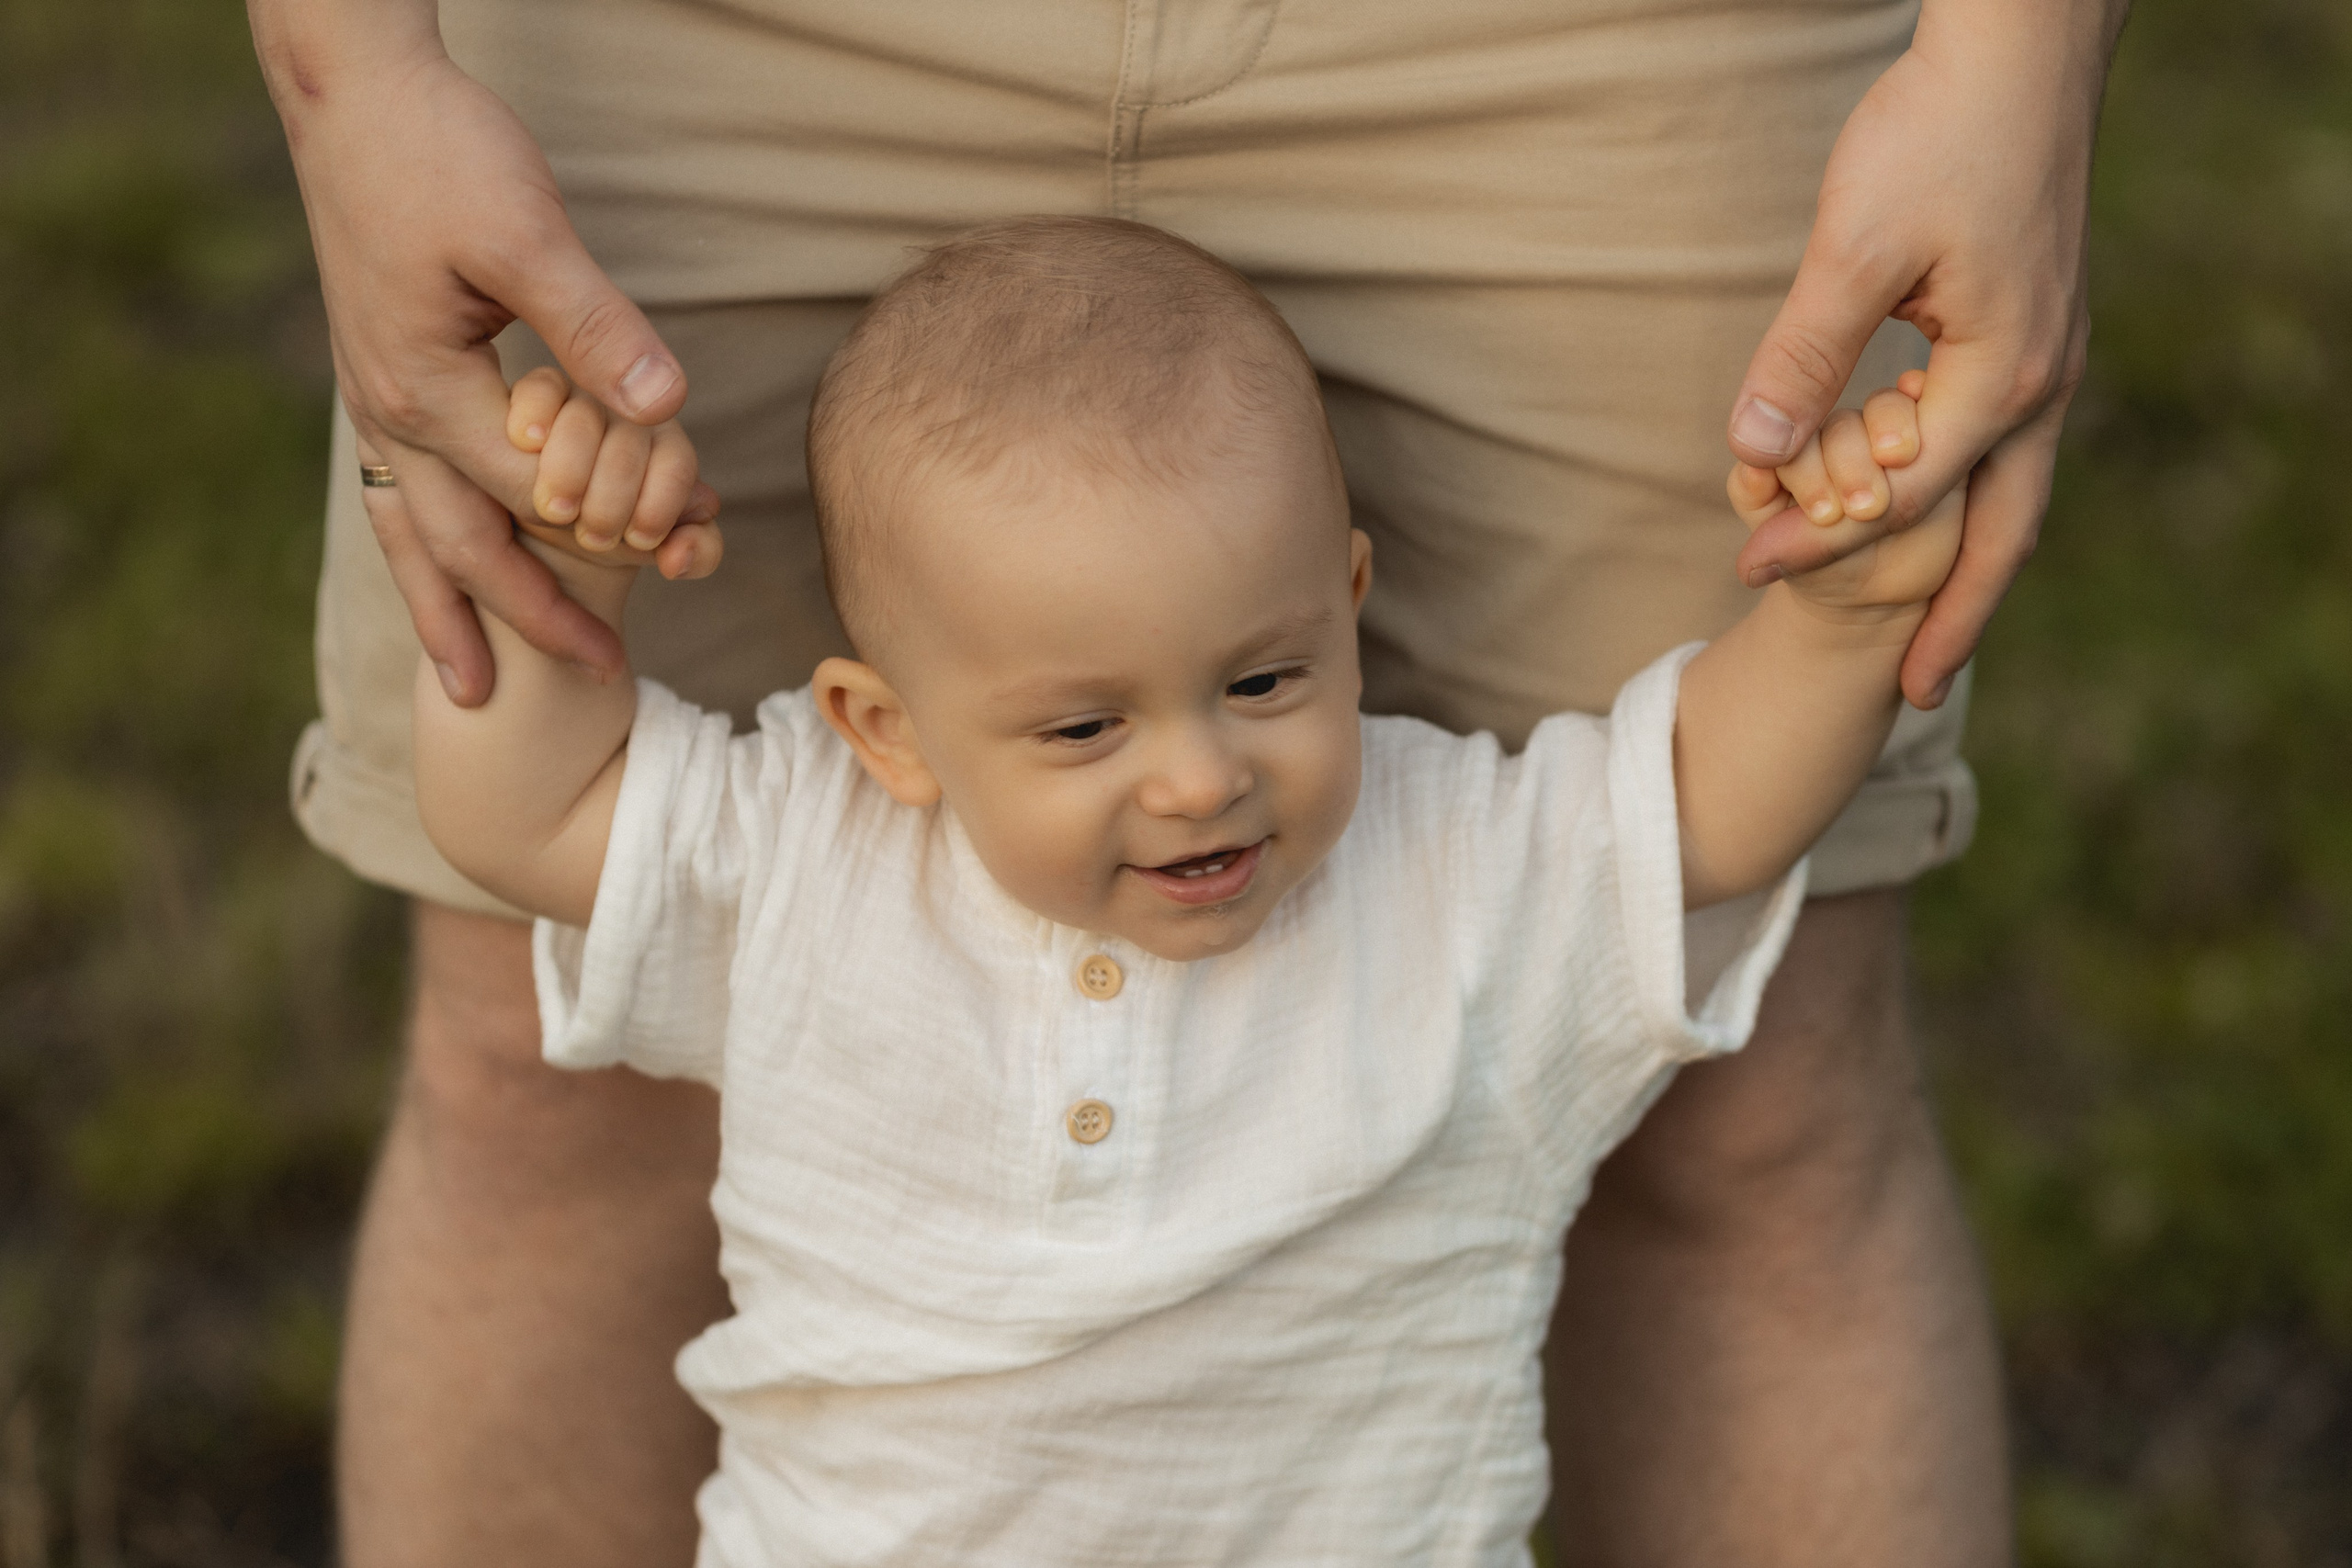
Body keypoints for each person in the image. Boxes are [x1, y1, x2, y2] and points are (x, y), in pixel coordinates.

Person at [246, 0, 2126, 1559]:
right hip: (671, 50)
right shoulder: (804, 851)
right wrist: (566, 572)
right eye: (1084, 728)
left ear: (1348, 604)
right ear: (881, 729)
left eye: (1264, 679)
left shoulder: (1452, 861)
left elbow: (1704, 802)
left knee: (1764, 1105)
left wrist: (1837, 612)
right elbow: (523, 819)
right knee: (532, 1089)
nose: (1200, 776)